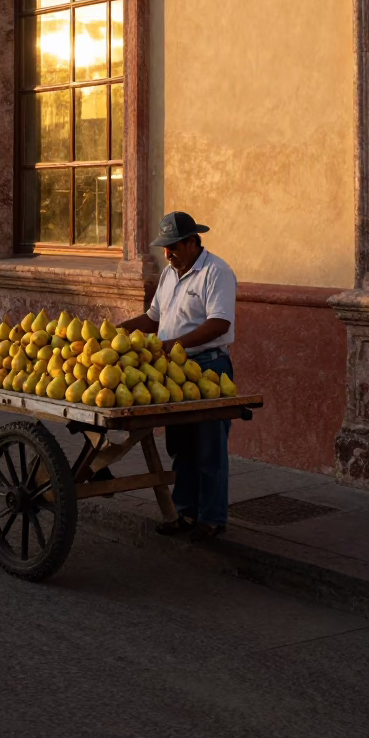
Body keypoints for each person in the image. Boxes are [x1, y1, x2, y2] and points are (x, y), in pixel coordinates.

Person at [124, 210, 236, 540]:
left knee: (209, 447)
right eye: (164, 247)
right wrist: (113, 332)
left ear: (191, 243)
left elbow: (219, 323)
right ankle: (185, 512)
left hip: (209, 368)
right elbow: (152, 319)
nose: (167, 253)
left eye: (172, 246)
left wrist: (171, 345)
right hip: (172, 370)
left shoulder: (217, 272)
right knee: (181, 445)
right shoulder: (169, 274)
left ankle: (212, 518)